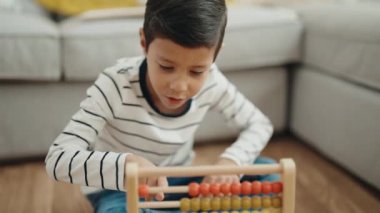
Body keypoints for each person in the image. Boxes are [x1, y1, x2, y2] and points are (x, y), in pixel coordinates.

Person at [45, 0, 278, 212]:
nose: (179, 86)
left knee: (268, 172)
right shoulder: (116, 84)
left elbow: (259, 124)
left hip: (179, 182)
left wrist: (231, 162)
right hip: (121, 192)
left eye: (197, 71)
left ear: (215, 55)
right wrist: (125, 165)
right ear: (144, 43)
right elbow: (57, 158)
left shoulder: (213, 81)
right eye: (166, 67)